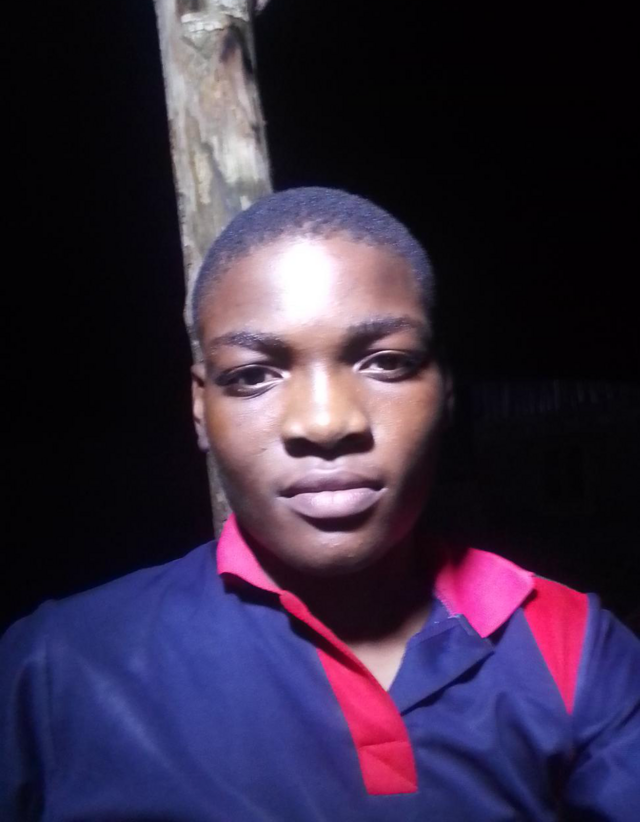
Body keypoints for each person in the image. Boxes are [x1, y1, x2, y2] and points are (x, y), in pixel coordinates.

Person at [1, 187, 638, 821]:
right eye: (253, 375)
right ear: (200, 407)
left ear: (445, 389)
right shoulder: (53, 670)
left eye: (386, 362)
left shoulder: (575, 644)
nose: (326, 423)